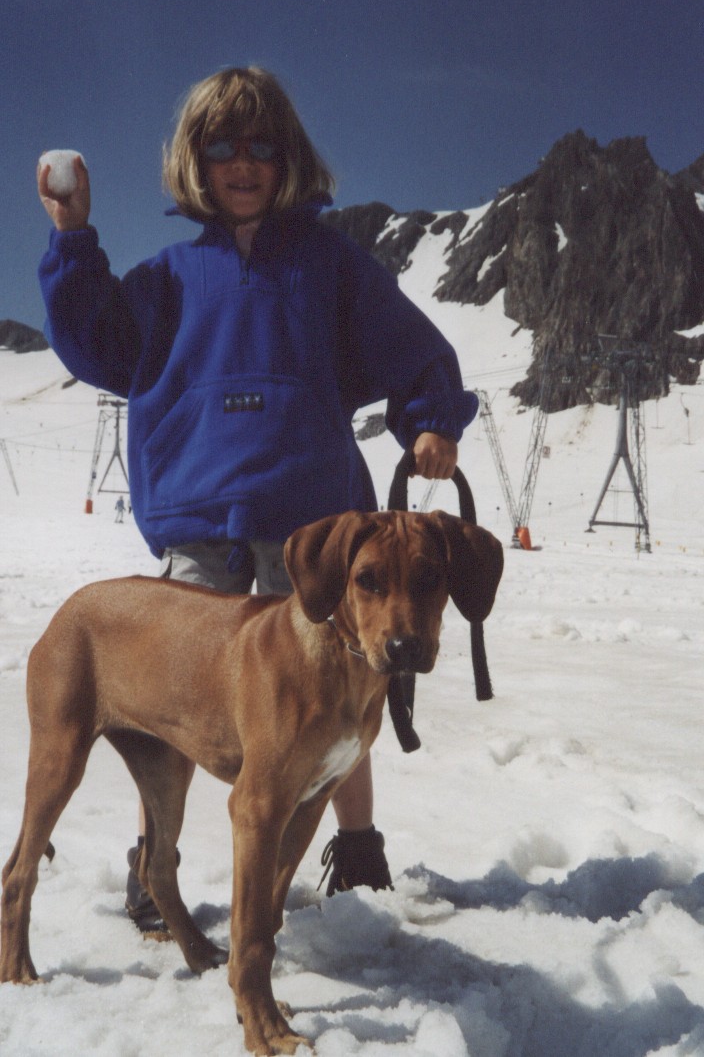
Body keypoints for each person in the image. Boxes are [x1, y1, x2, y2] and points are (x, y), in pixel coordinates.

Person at [37, 66, 479, 931]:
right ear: (194, 161)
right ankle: (150, 867)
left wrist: (429, 418)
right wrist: (72, 238)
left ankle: (356, 847)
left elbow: (407, 342)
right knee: (168, 707)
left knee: (343, 689)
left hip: (312, 522)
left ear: (289, 159)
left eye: (260, 148)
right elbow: (97, 342)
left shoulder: (329, 266)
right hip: (199, 517)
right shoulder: (167, 278)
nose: (242, 165)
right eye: (221, 148)